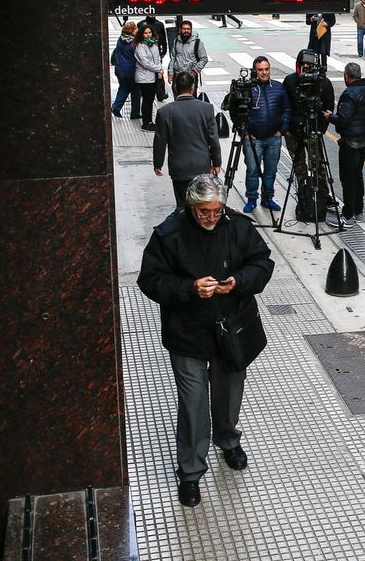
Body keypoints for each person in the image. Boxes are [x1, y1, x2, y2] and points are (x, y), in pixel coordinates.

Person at [137, 174, 274, 509]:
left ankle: (228, 441)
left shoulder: (239, 227)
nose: (210, 218)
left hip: (231, 329)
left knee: (229, 392)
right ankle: (191, 470)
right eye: (203, 212)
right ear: (190, 205)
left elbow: (262, 263)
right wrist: (188, 289)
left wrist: (238, 282)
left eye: (216, 211)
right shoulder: (168, 234)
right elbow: (150, 280)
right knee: (193, 402)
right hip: (188, 332)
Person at [225, 56, 289, 214]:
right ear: (255, 71)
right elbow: (234, 112)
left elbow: (287, 109)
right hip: (252, 138)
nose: (264, 72)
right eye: (260, 70)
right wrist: (243, 132)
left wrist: (282, 130)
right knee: (252, 170)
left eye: (266, 69)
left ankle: (268, 198)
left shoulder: (278, 88)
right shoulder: (246, 89)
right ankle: (252, 199)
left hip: (274, 138)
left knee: (271, 170)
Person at [154, 72, 222, 206]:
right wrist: (216, 162)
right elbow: (213, 138)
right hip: (201, 165)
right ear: (193, 87)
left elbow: (160, 141)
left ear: (175, 88)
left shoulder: (165, 112)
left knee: (182, 205)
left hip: (179, 167)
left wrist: (158, 163)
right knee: (201, 204)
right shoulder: (206, 109)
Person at [325, 61, 365, 227]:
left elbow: (344, 119)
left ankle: (347, 216)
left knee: (348, 180)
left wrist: (330, 116)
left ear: (347, 76)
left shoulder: (349, 94)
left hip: (350, 144)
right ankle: (358, 212)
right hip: (364, 142)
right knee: (358, 177)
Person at [282, 49, 336, 200]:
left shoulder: (323, 83)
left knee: (318, 165)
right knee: (299, 165)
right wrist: (287, 127)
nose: (306, 68)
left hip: (314, 131)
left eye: (309, 65)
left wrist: (321, 130)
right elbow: (284, 106)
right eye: (303, 64)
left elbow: (329, 108)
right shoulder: (290, 81)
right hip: (293, 132)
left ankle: (324, 195)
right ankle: (303, 193)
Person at [134, 23, 165, 132]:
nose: (148, 35)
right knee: (147, 100)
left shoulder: (154, 44)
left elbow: (157, 59)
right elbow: (145, 63)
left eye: (149, 32)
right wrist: (158, 69)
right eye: (145, 33)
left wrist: (159, 68)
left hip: (153, 77)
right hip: (144, 78)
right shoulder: (140, 46)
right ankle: (146, 123)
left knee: (150, 100)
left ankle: (150, 121)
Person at [111, 21, 140, 119]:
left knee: (123, 88)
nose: (137, 30)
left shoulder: (120, 39)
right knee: (136, 91)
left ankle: (116, 107)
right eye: (135, 28)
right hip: (131, 71)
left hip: (119, 70)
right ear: (131, 31)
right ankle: (135, 113)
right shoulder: (134, 43)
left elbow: (115, 53)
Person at [168, 20, 209, 89]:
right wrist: (170, 73)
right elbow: (173, 58)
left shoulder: (197, 42)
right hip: (177, 76)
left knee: (190, 97)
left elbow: (204, 59)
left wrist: (194, 72)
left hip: (190, 76)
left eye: (188, 29)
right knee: (177, 96)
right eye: (184, 29)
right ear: (180, 30)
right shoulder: (176, 41)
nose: (186, 31)